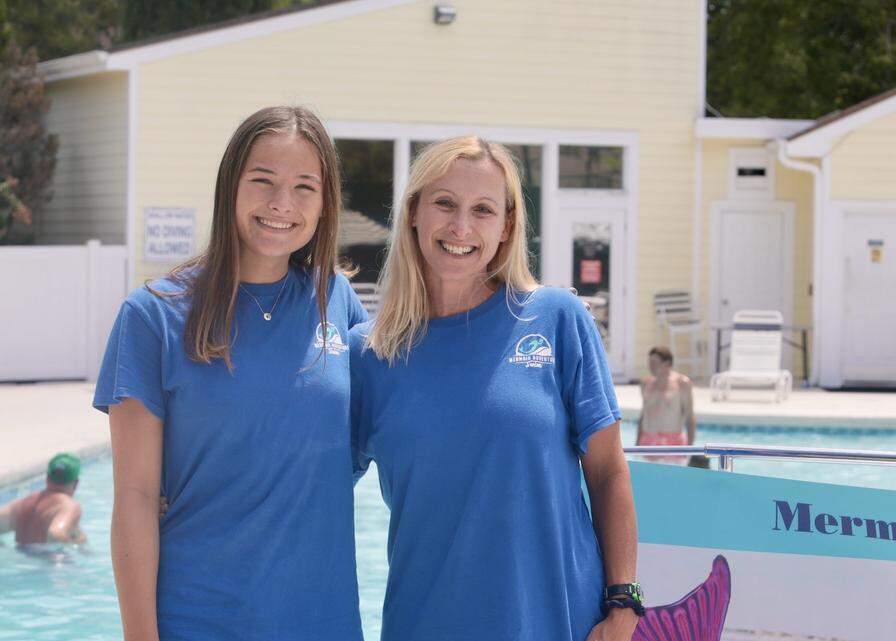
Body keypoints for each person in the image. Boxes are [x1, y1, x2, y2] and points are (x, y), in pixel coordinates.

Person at [93, 107, 368, 641]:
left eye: (304, 187)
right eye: (262, 181)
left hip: (324, 619)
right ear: (230, 187)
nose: (281, 204)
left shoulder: (336, 300)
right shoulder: (153, 315)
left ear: (325, 202)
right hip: (197, 618)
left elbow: (386, 432)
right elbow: (135, 496)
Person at [350, 137, 641, 641]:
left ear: (506, 226)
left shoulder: (557, 320)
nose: (461, 227)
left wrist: (623, 603)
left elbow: (609, 471)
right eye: (444, 203)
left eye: (482, 210)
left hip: (561, 623)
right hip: (426, 624)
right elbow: (308, 487)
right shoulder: (370, 355)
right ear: (414, 212)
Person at [0, 453, 86, 546]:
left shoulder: (24, 503)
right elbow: (56, 534)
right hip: (48, 558)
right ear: (76, 483)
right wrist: (71, 545)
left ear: (47, 477)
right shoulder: (68, 506)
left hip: (21, 555)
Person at [638, 346, 696, 464]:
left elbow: (690, 418)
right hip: (649, 440)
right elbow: (643, 416)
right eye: (650, 362)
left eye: (654, 363)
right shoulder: (646, 383)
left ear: (667, 364)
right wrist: (637, 443)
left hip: (673, 442)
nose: (651, 366)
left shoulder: (682, 384)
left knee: (672, 481)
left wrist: (689, 449)